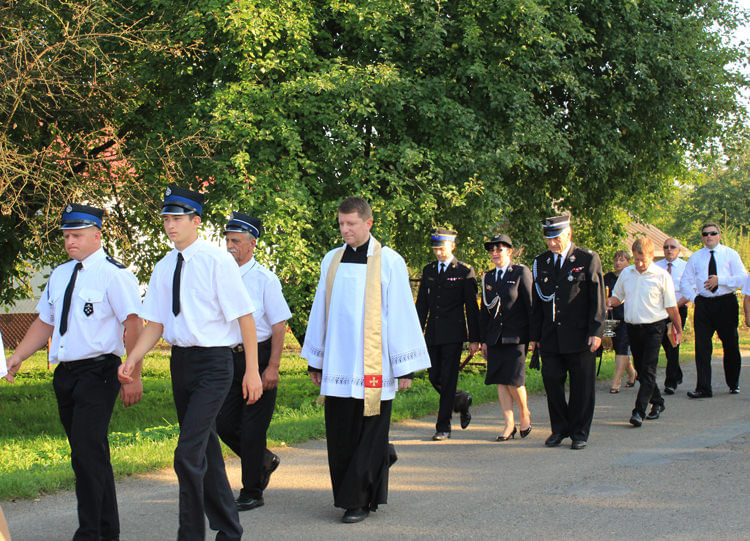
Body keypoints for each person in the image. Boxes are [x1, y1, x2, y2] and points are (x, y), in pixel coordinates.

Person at [118, 186, 262, 541]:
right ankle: (229, 529)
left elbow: (245, 317)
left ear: (196, 221)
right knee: (205, 452)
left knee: (186, 455)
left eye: (178, 218)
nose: (170, 225)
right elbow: (155, 323)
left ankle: (190, 534)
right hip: (181, 364)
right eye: (166, 218)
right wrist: (132, 359)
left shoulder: (217, 261)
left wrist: (254, 371)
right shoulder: (164, 266)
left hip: (215, 364)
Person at [4, 203, 142, 541]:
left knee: (85, 452)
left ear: (97, 235)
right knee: (89, 454)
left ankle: (90, 533)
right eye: (66, 236)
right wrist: (18, 355)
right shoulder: (61, 274)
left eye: (77, 235)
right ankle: (106, 532)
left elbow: (133, 324)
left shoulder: (114, 274)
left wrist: (133, 374)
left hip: (100, 372)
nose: (70, 242)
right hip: (66, 375)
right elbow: (45, 321)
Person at [301, 197, 430, 523]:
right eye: (341, 224)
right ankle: (377, 461)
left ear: (368, 223)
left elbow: (400, 313)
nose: (345, 230)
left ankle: (356, 501)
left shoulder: (389, 261)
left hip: (376, 366)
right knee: (341, 432)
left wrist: (405, 367)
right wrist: (316, 360)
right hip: (339, 364)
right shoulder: (331, 260)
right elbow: (321, 310)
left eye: (351, 224)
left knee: (369, 431)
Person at [216, 211, 292, 511]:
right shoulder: (220, 274)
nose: (230, 246)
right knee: (222, 422)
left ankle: (252, 491)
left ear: (252, 244)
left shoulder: (265, 280)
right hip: (227, 358)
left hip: (258, 357)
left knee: (252, 427)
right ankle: (262, 459)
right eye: (228, 241)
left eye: (236, 241)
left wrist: (272, 366)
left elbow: (278, 325)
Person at [529, 215, 605, 450]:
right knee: (552, 381)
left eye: (557, 237)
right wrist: (535, 335)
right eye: (549, 238)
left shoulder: (587, 258)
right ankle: (559, 428)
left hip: (580, 335)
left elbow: (597, 298)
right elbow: (537, 303)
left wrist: (597, 330)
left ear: (568, 234)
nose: (552, 243)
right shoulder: (540, 262)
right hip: (550, 335)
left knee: (582, 386)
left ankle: (579, 432)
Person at [607, 238, 683, 427]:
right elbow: (618, 297)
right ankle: (657, 402)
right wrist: (608, 302)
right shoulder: (627, 273)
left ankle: (638, 411)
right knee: (641, 371)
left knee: (648, 369)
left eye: (643, 259)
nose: (639, 264)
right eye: (636, 259)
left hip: (654, 328)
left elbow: (672, 307)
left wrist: (678, 328)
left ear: (651, 256)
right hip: (633, 328)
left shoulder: (661, 276)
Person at [415, 227, 480, 440]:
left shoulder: (464, 271)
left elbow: (471, 307)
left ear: (452, 246)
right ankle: (460, 400)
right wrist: (416, 331)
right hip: (432, 332)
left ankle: (443, 426)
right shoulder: (429, 270)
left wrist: (474, 338)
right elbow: (422, 304)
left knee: (449, 378)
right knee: (434, 375)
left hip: (453, 334)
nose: (438, 252)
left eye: (442, 248)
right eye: (436, 248)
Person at [677, 223, 746, 397]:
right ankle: (703, 388)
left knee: (730, 344)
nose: (709, 236)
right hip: (704, 305)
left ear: (719, 235)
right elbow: (685, 282)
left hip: (726, 302)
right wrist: (696, 299)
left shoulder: (730, 254)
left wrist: (720, 280)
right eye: (705, 234)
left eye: (713, 233)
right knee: (701, 347)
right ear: (702, 237)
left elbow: (742, 279)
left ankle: (733, 382)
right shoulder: (696, 257)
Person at [478, 234, 533, 441]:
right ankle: (509, 424)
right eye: (491, 250)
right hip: (495, 337)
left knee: (514, 380)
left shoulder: (520, 272)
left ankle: (524, 413)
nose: (494, 253)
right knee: (501, 381)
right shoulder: (488, 277)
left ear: (509, 251)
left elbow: (530, 306)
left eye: (499, 249)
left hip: (516, 336)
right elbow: (484, 311)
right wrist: (484, 339)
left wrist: (534, 337)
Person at [653, 238, 689, 394]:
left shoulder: (685, 267)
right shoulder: (656, 267)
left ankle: (671, 382)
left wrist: (675, 306)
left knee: (673, 343)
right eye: (666, 247)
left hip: (678, 308)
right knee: (664, 344)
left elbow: (690, 290)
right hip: (659, 310)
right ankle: (677, 372)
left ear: (678, 250)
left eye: (672, 247)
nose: (669, 249)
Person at [604, 250, 637, 393]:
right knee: (617, 348)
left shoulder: (632, 276)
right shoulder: (607, 277)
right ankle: (632, 373)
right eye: (616, 259)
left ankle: (616, 382)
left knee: (623, 347)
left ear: (628, 261)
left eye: (622, 260)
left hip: (627, 317)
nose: (618, 262)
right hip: (611, 317)